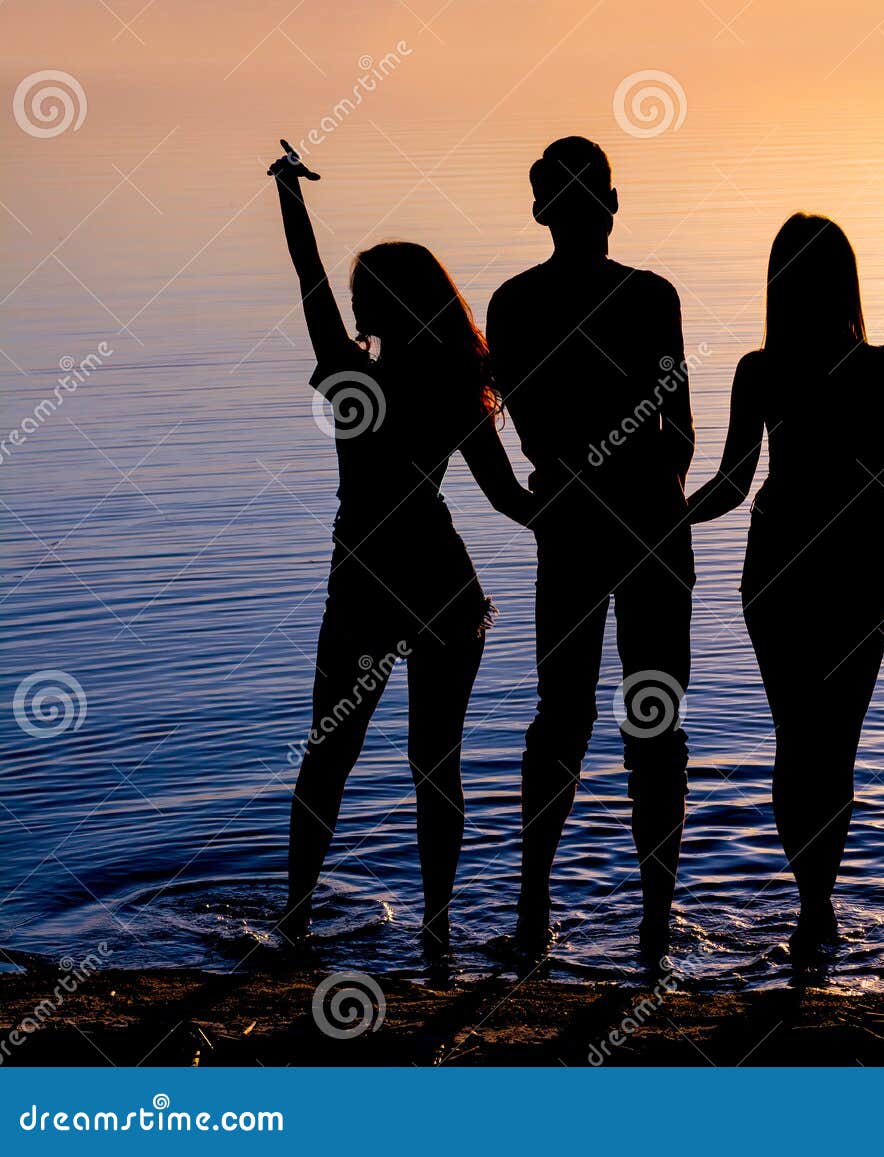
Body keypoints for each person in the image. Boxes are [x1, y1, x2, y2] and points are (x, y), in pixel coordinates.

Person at [267, 140, 541, 958]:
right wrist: (586, 513)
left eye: (360, 296)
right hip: (442, 585)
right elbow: (509, 500)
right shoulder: (457, 386)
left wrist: (287, 194)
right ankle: (436, 931)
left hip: (363, 585)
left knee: (326, 763)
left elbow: (306, 279)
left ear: (373, 307)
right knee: (437, 768)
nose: (348, 304)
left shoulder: (352, 379)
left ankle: (295, 918)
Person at [687, 214, 884, 956]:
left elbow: (732, 487)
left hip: (778, 571)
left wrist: (666, 523)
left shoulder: (761, 369)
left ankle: (812, 904)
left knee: (797, 739)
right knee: (834, 745)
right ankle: (817, 905)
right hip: (861, 571)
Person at [487, 137, 695, 962]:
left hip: (570, 524)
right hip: (647, 522)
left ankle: (534, 912)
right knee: (653, 723)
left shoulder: (512, 304)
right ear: (611, 204)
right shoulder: (652, 297)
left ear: (542, 211)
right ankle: (654, 921)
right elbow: (676, 434)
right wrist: (642, 475)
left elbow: (533, 429)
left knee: (562, 718)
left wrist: (575, 479)